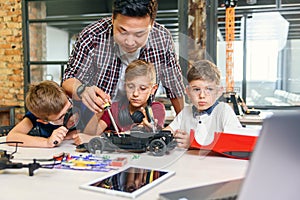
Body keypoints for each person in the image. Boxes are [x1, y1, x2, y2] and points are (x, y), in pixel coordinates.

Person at [62, 0, 185, 117]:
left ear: (151, 24)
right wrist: (82, 90)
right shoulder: (92, 36)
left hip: (135, 120)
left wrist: (185, 122)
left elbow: (174, 87)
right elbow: (68, 80)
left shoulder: (162, 39)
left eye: (139, 34)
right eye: (123, 31)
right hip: (93, 119)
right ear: (113, 19)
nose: (130, 42)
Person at [77, 60, 165, 143]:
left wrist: (149, 127)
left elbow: (148, 133)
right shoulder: (114, 108)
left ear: (153, 89)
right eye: (130, 86)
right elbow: (90, 134)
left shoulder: (157, 109)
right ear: (124, 86)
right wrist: (100, 111)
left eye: (142, 88)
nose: (135, 93)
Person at [164, 60, 242, 149]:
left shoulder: (224, 111)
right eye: (196, 89)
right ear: (188, 91)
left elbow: (235, 144)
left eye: (209, 89)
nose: (202, 95)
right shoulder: (185, 112)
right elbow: (168, 131)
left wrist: (193, 143)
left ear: (219, 91)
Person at [6, 80, 82, 148]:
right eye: (61, 117)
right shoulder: (37, 114)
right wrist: (47, 142)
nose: (72, 117)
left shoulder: (79, 101)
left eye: (70, 108)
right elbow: (12, 137)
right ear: (43, 121)